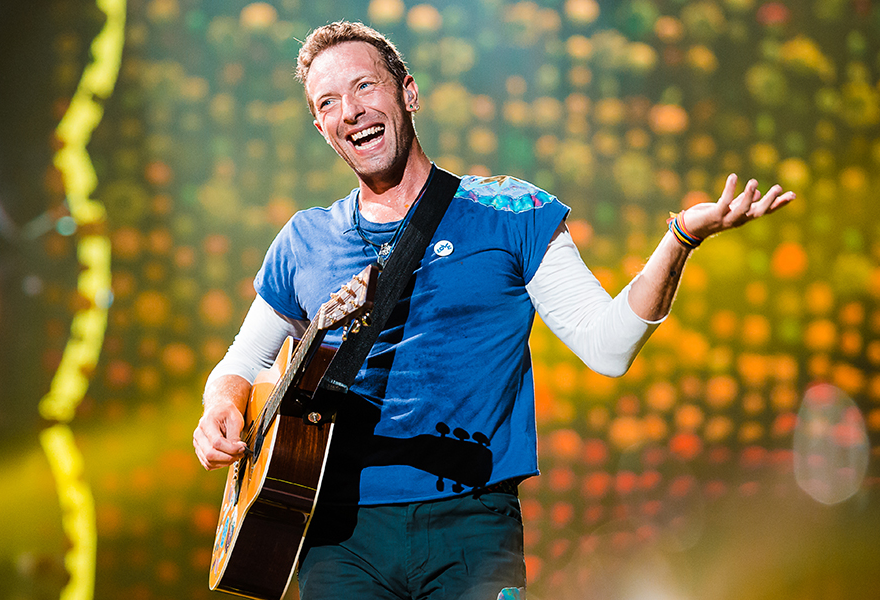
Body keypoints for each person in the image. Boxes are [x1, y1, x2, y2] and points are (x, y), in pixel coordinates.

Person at [193, 20, 795, 600]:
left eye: (364, 86)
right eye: (327, 102)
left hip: (472, 528)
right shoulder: (303, 240)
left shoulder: (511, 213)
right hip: (334, 536)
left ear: (409, 94)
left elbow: (608, 347)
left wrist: (680, 238)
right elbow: (242, 362)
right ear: (321, 126)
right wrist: (220, 407)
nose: (349, 110)